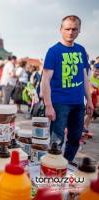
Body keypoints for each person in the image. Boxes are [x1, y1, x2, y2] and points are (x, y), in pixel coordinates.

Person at [41, 15, 93, 162]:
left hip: (78, 103)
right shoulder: (54, 51)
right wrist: (48, 105)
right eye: (67, 29)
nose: (70, 32)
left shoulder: (81, 50)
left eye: (74, 29)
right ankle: (53, 166)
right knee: (56, 141)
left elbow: (84, 78)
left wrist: (89, 100)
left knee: (75, 139)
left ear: (79, 30)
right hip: (59, 103)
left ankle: (66, 163)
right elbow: (45, 80)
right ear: (61, 29)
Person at [83, 63, 99, 134]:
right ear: (93, 70)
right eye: (96, 71)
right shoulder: (90, 78)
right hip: (89, 99)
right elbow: (88, 89)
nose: (97, 73)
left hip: (95, 99)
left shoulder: (98, 80)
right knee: (88, 113)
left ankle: (86, 127)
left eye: (98, 71)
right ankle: (82, 127)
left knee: (91, 114)